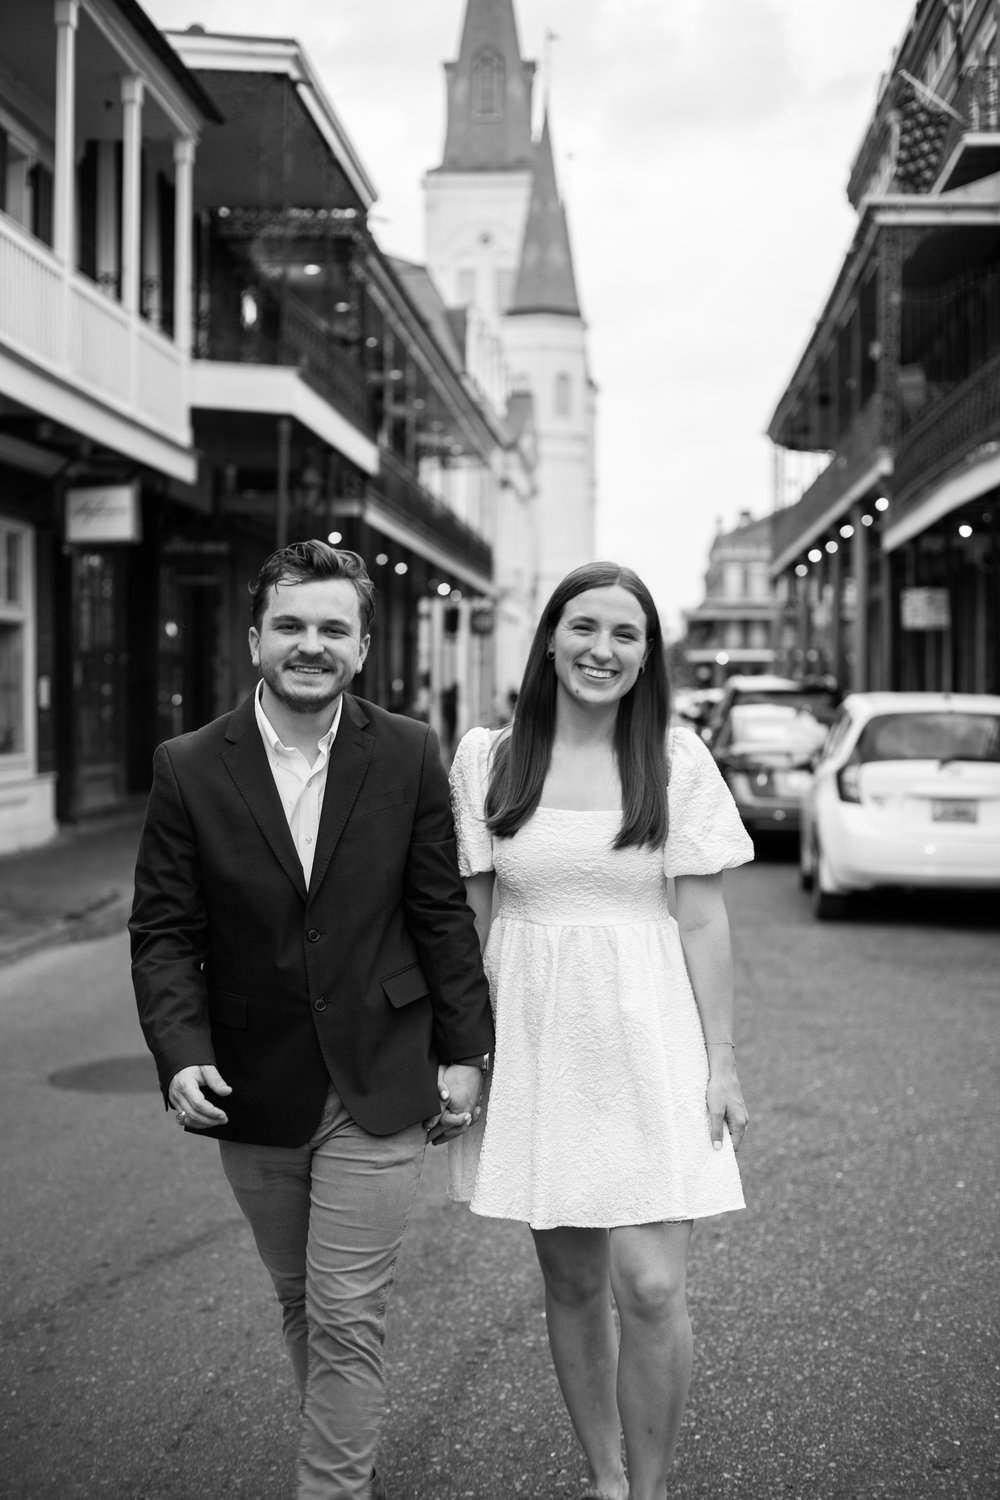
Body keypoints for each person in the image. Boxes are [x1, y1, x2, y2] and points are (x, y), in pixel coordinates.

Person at [131, 541, 493, 1500]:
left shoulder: (410, 753)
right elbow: (164, 931)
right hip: (252, 1083)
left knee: (345, 1311)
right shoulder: (188, 767)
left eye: (334, 628)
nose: (311, 644)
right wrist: (179, 1054)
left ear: (362, 648)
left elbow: (439, 911)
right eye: (291, 625)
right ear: (255, 639)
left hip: (380, 1074)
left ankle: (331, 1486)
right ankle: (349, 1453)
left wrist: (467, 1053)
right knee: (303, 1301)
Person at [447, 562, 753, 1500]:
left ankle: (650, 1492)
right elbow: (476, 921)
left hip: (647, 1030)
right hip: (537, 1037)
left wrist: (723, 1063)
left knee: (652, 1286)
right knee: (575, 1285)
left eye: (626, 635)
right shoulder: (487, 759)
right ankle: (607, 1481)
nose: (601, 650)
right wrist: (467, 1054)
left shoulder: (675, 757)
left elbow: (702, 920)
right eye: (584, 628)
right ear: (549, 638)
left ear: (647, 655)